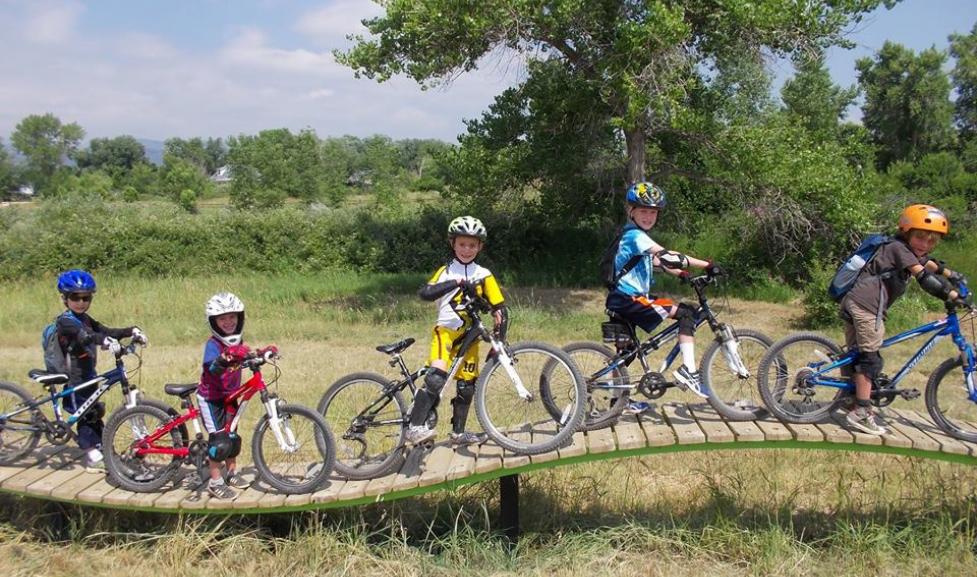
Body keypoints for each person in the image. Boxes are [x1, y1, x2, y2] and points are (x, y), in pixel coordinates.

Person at [840, 204, 969, 436]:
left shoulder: (908, 250)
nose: (925, 244)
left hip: (858, 301)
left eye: (932, 241)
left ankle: (850, 397)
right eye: (920, 237)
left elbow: (932, 265)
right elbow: (924, 277)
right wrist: (950, 294)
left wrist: (953, 276)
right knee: (870, 359)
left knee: (857, 352)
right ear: (906, 232)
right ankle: (860, 410)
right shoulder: (898, 248)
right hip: (866, 306)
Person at [605, 182, 723, 413]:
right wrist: (708, 265)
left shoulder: (633, 236)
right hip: (631, 299)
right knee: (687, 314)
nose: (649, 216)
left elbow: (659, 262)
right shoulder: (635, 236)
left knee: (625, 353)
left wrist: (685, 275)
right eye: (643, 211)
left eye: (653, 212)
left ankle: (617, 402)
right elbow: (668, 256)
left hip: (619, 298)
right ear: (632, 211)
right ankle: (688, 370)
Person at [404, 216, 509, 446]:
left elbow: (500, 309)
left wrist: (498, 341)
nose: (467, 249)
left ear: (480, 246)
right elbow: (425, 293)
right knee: (436, 376)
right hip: (446, 332)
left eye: (472, 245)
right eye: (462, 244)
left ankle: (458, 433)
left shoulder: (484, 274)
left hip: (470, 337)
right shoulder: (446, 271)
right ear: (453, 244)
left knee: (467, 386)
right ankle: (414, 427)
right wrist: (455, 283)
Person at [51, 269, 147, 473]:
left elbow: (105, 331)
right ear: (65, 299)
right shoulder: (66, 321)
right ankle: (92, 456)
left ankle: (102, 447)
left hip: (88, 374)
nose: (81, 302)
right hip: (74, 377)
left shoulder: (85, 318)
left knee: (94, 411)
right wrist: (103, 341)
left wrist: (131, 331)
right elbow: (85, 336)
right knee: (84, 414)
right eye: (75, 298)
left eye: (86, 298)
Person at [197, 292, 251, 499]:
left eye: (232, 317)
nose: (228, 322)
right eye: (222, 319)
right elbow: (212, 368)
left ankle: (231, 473)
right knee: (219, 442)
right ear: (214, 322)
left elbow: (244, 355)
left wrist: (260, 353)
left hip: (231, 396)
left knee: (233, 438)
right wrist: (223, 359)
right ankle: (215, 481)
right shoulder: (214, 345)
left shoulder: (236, 340)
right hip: (211, 398)